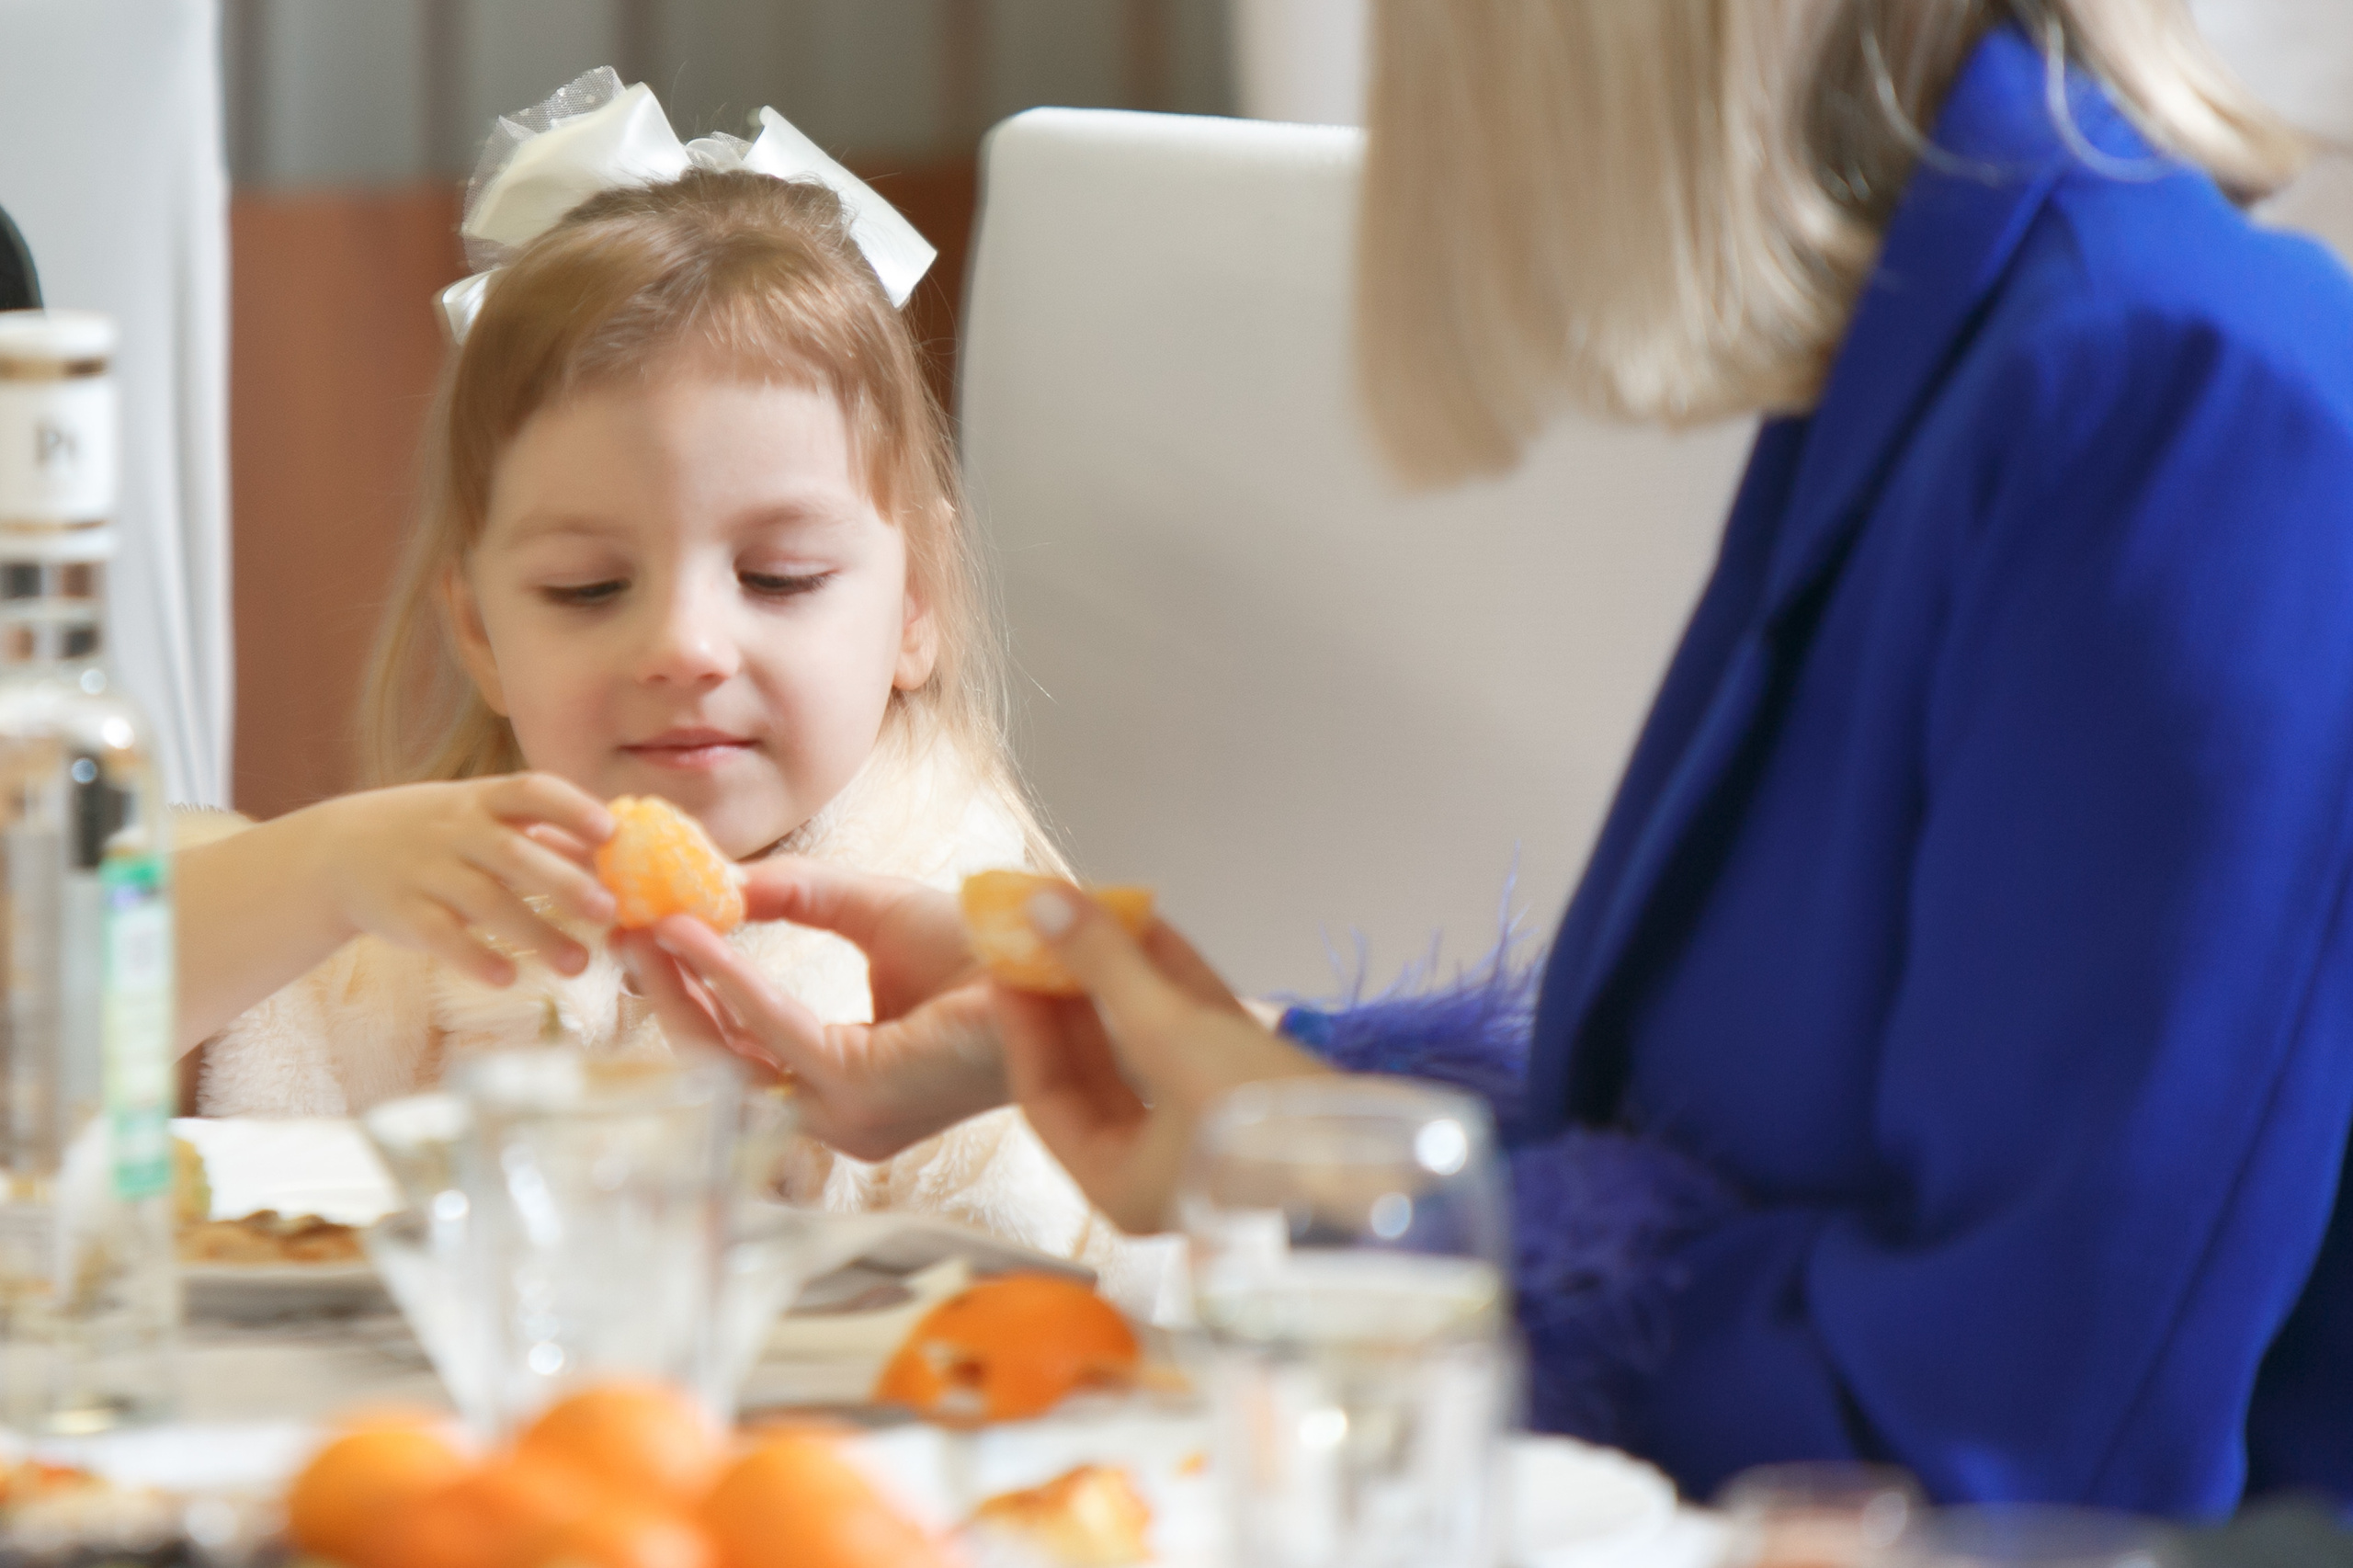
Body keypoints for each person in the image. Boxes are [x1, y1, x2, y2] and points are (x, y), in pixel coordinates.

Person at [620, 0, 2353, 1517]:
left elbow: (1998, 1438)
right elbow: (1740, 1164)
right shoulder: (1937, 370)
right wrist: (1209, 1075)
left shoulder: (2174, 398)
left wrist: (1364, 1194)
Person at [169, 74, 1164, 1305]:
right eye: (589, 587)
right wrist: (317, 870)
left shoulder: (967, 958)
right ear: (479, 629)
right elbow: (60, 1003)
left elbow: (1085, 1303)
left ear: (918, 607)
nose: (687, 645)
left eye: (779, 575)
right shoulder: (401, 912)